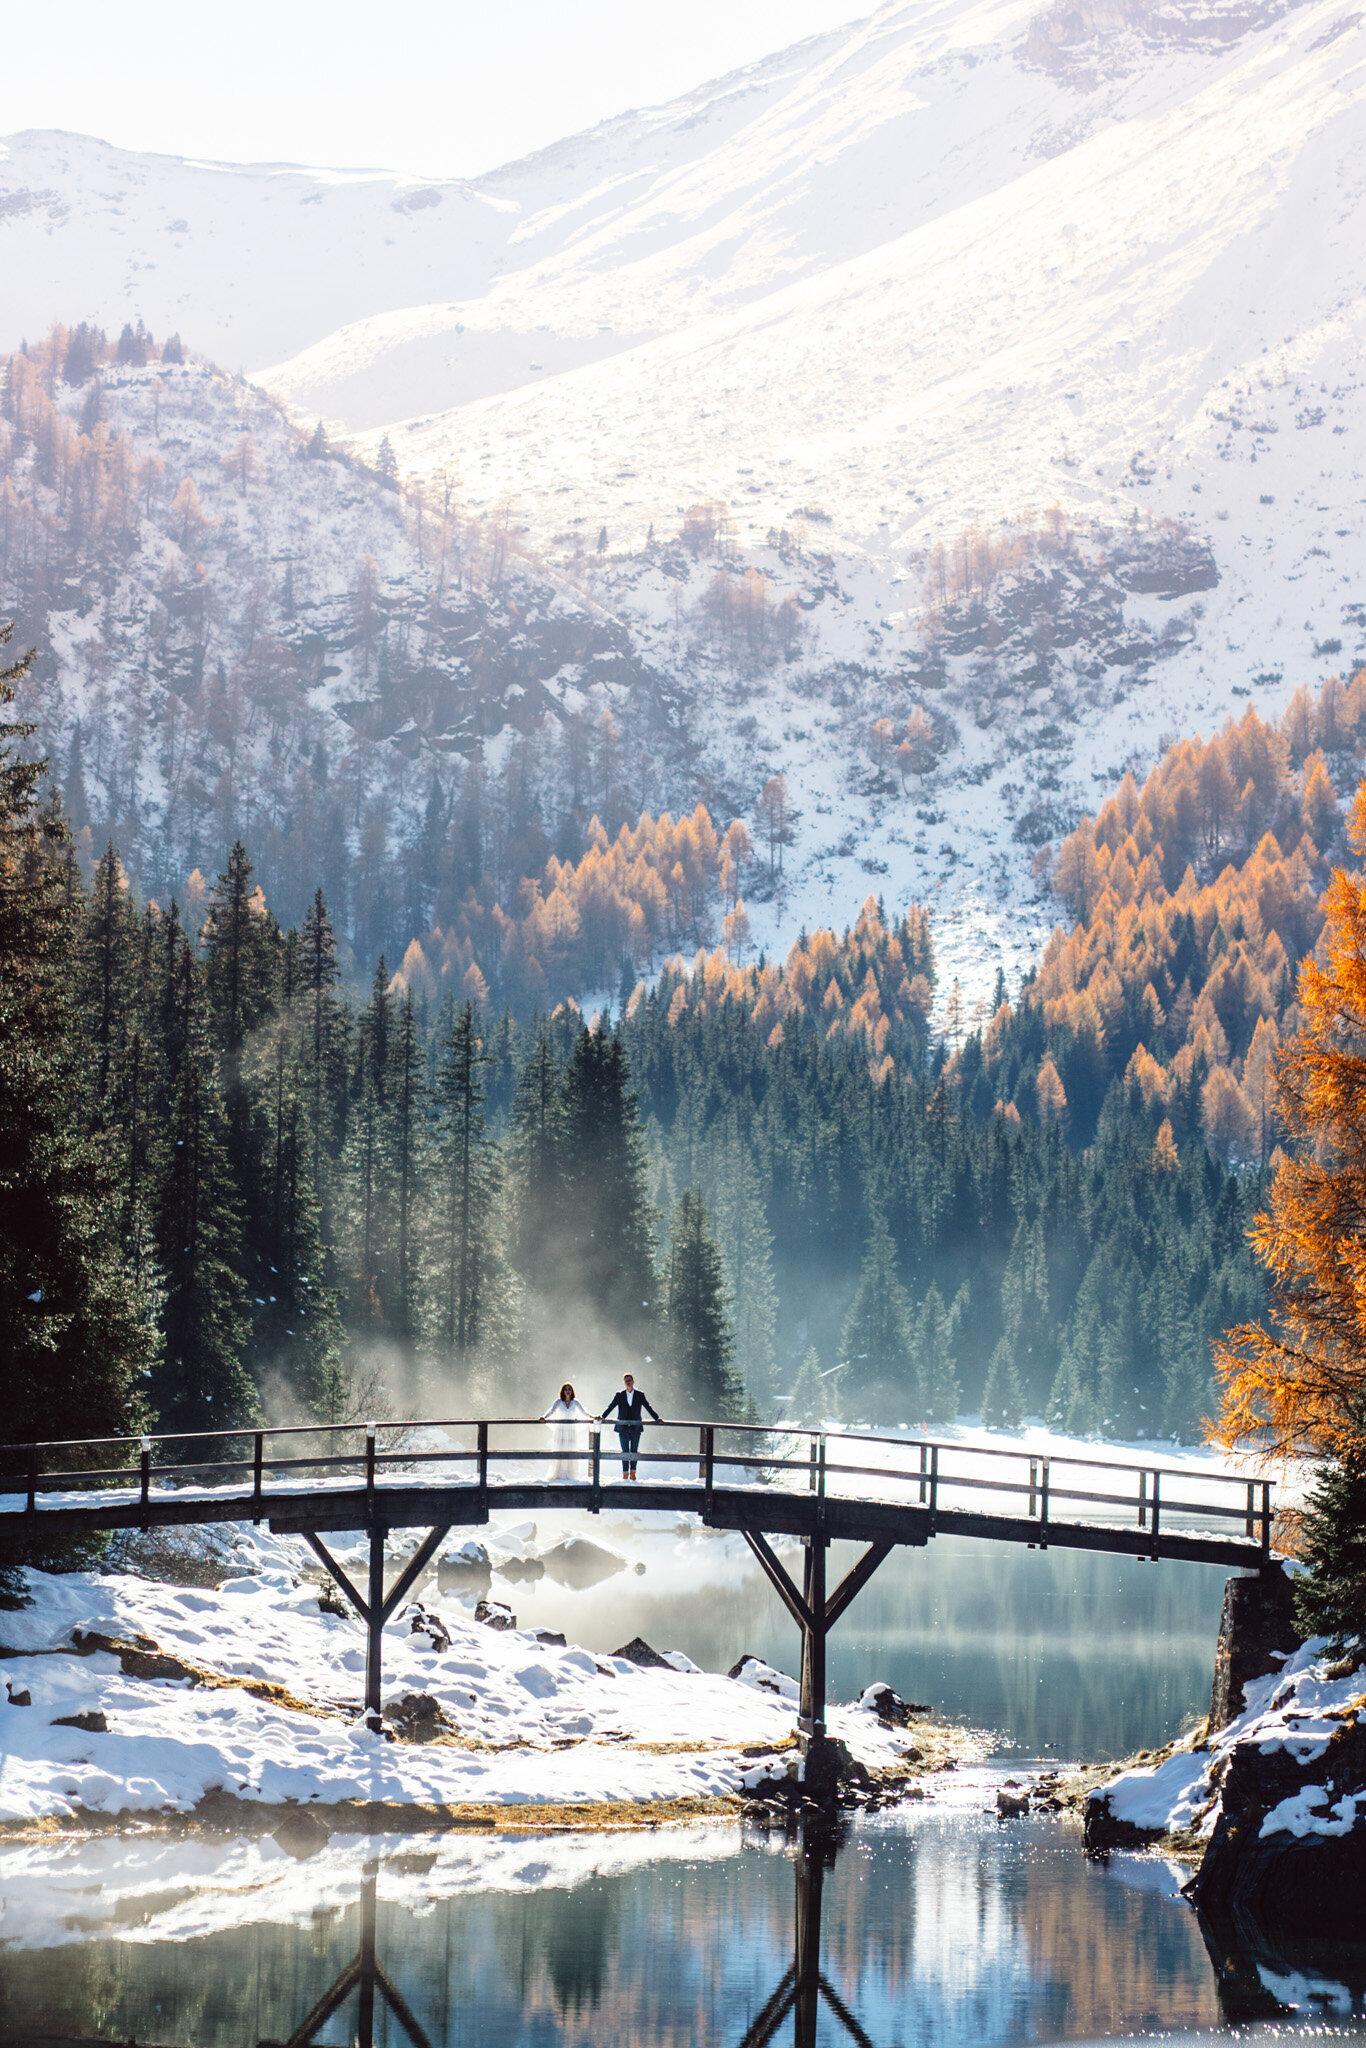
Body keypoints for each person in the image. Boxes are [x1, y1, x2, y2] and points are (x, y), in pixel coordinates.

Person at [601, 1372, 661, 1480]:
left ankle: (633, 1473)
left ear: (633, 1381)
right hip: (623, 1427)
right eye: (626, 1380)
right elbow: (611, 1406)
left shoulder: (639, 1394)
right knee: (624, 1451)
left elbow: (648, 1407)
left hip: (635, 1427)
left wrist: (657, 1418)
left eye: (630, 1380)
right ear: (624, 1383)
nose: (628, 1382)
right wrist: (602, 1417)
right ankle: (624, 1474)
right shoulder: (619, 1395)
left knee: (634, 1450)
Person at [542, 1383, 595, 1482]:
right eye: (566, 1389)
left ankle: (570, 1474)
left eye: (569, 1389)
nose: (567, 1391)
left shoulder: (575, 1402)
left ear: (572, 1391)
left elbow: (584, 1412)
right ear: (562, 1391)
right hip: (560, 1430)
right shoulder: (558, 1402)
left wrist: (593, 1417)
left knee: (571, 1449)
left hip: (571, 1430)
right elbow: (551, 1411)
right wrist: (544, 1418)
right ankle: (558, 1473)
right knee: (560, 1448)